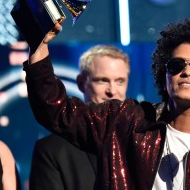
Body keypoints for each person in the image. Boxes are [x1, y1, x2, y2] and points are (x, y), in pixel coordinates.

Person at [23, 18, 190, 189]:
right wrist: (39, 47)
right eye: (176, 65)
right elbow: (56, 110)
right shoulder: (125, 122)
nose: (187, 72)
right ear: (164, 76)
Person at [29, 45, 130, 190]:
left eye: (120, 81)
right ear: (81, 83)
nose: (112, 91)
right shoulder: (52, 150)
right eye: (102, 80)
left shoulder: (143, 139)